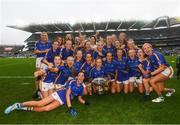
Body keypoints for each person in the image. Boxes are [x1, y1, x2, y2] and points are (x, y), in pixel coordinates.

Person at [4, 71, 89, 117]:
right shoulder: (72, 81)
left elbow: (80, 97)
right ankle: (18, 104)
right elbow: (67, 94)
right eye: (79, 75)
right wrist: (70, 107)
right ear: (77, 76)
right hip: (60, 94)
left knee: (47, 109)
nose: (81, 77)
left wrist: (85, 102)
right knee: (40, 103)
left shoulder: (82, 86)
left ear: (84, 77)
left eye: (82, 76)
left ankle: (23, 108)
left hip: (63, 100)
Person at [33, 32, 51, 98]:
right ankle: (37, 90)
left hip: (47, 60)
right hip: (39, 59)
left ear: (47, 36)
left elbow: (51, 49)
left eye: (45, 35)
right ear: (41, 36)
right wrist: (44, 51)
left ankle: (44, 89)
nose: (44, 36)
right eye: (43, 35)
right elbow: (35, 51)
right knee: (38, 75)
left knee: (45, 74)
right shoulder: (37, 43)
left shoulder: (49, 42)